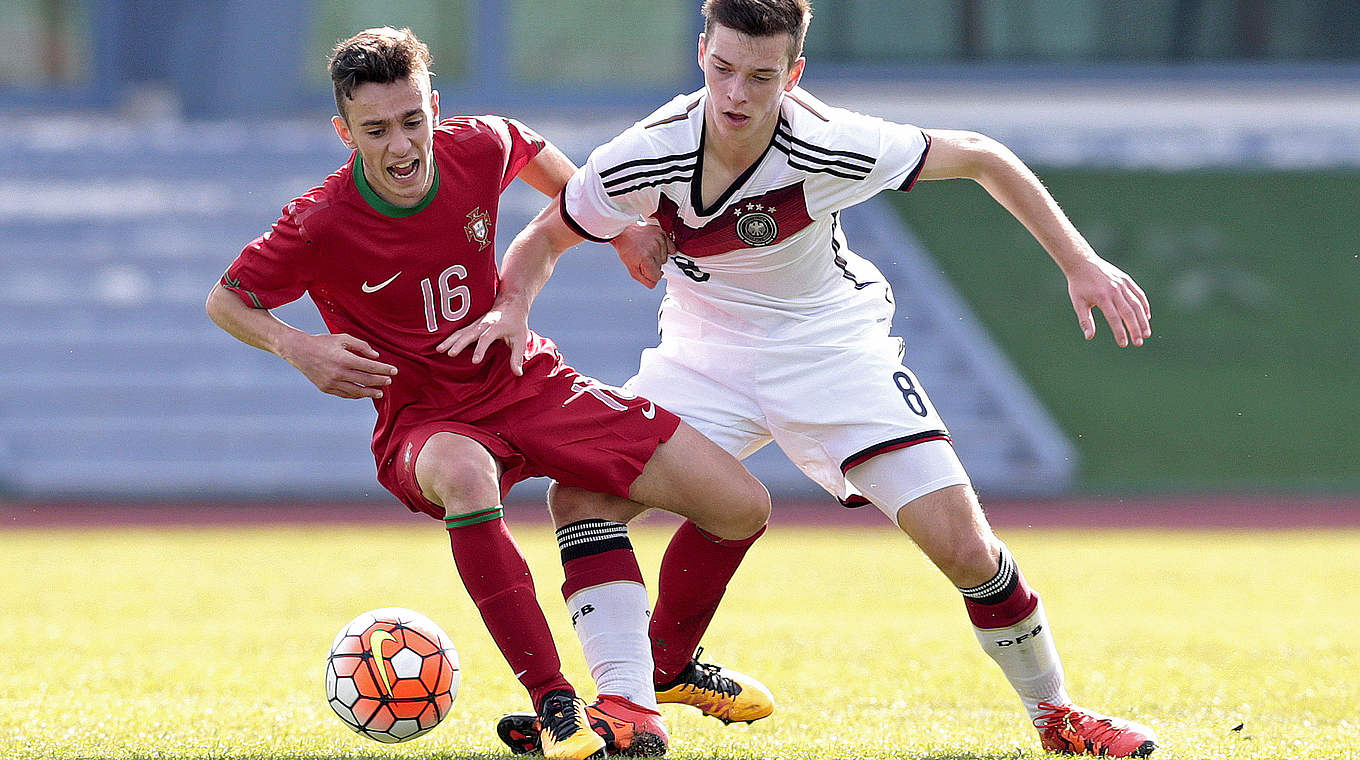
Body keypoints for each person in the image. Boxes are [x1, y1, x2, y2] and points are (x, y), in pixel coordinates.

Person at [466, 1, 1159, 757]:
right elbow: (544, 236)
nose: (737, 94)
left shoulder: (832, 145)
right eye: (724, 69)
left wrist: (1081, 264)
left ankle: (1058, 716)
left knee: (965, 547)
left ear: (792, 76)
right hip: (704, 357)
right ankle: (631, 704)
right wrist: (510, 307)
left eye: (761, 77)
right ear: (702, 52)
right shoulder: (646, 152)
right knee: (582, 497)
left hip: (832, 352)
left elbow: (983, 155)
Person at [203, 27, 775, 760]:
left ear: (434, 108)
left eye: (413, 121)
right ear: (345, 132)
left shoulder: (475, 145)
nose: (402, 147)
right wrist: (298, 346)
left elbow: (526, 146)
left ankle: (661, 672)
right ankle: (558, 705)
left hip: (524, 380)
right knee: (468, 476)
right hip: (425, 423)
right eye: (376, 130)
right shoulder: (318, 220)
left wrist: (618, 233)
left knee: (741, 507)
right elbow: (227, 300)